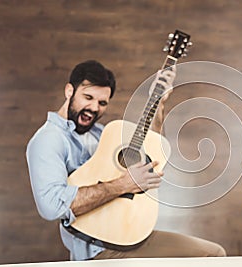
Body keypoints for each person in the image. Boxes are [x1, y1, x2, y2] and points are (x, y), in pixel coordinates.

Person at [26, 60, 226, 261]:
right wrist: (123, 184)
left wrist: (158, 102)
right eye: (88, 97)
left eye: (102, 103)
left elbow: (149, 148)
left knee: (214, 253)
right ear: (69, 91)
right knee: (212, 255)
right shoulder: (48, 140)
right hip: (98, 248)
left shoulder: (102, 134)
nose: (94, 107)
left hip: (131, 236)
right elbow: (51, 206)